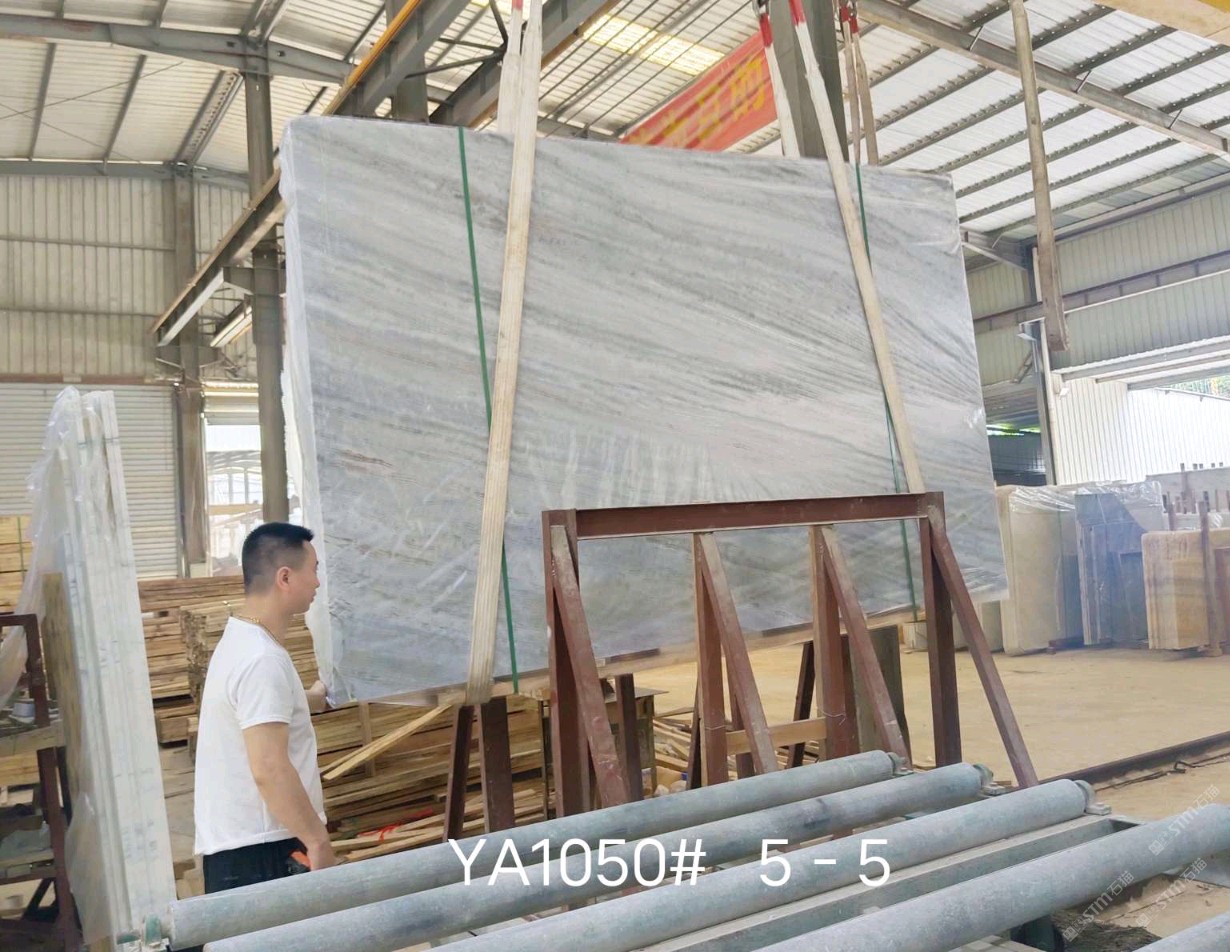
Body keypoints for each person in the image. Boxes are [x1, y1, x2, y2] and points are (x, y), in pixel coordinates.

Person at [193, 522, 336, 893]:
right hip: (262, 854)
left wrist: (313, 699)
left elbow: (261, 707)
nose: (318, 583)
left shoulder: (241, 641)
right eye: (314, 570)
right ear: (285, 578)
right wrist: (317, 841)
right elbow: (269, 767)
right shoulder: (262, 659)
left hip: (242, 850)